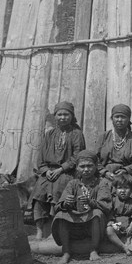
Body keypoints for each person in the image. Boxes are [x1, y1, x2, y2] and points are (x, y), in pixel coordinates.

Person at [29, 101, 85, 240]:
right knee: (39, 191)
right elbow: (40, 157)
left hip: (67, 171)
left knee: (58, 188)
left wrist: (61, 169)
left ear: (72, 116)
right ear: (55, 116)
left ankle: (55, 227)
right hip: (49, 171)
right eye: (59, 114)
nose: (62, 117)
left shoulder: (77, 134)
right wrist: (46, 171)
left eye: (66, 114)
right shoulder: (49, 134)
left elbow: (78, 156)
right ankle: (40, 229)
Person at [52, 150, 112, 264]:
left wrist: (91, 202)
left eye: (89, 166)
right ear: (77, 168)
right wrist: (66, 203)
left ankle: (94, 249)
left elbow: (106, 206)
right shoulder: (73, 184)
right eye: (82, 166)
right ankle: (66, 252)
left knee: (97, 214)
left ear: (95, 167)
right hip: (75, 224)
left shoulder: (102, 183)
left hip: (94, 226)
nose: (86, 169)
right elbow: (58, 206)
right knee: (60, 215)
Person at [97, 104, 132, 182]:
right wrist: (105, 172)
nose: (119, 120)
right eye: (117, 117)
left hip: (127, 176)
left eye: (123, 117)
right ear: (112, 119)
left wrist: (126, 170)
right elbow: (95, 158)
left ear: (128, 119)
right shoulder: (104, 137)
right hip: (105, 175)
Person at [105, 174, 132, 255]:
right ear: (115, 189)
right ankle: (124, 247)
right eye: (120, 188)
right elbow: (110, 213)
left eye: (126, 188)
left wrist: (131, 225)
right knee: (109, 230)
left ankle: (130, 243)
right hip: (118, 225)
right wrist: (111, 221)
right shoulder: (113, 201)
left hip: (129, 227)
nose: (123, 191)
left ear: (131, 190)